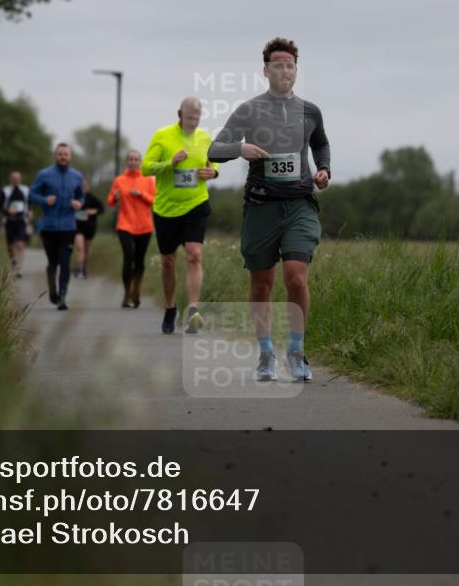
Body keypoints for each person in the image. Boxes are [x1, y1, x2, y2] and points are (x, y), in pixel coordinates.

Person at [207, 37, 331, 382]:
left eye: (290, 65)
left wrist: (324, 170)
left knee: (296, 275)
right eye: (277, 65)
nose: (284, 70)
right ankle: (265, 353)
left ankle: (296, 350)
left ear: (296, 70)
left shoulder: (310, 111)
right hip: (261, 206)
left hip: (299, 205)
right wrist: (241, 148)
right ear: (266, 71)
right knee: (261, 284)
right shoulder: (249, 110)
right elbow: (214, 150)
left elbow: (320, 143)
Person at [142, 97, 219, 334]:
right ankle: (170, 307)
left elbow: (213, 164)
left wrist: (213, 172)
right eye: (189, 118)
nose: (193, 122)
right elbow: (146, 167)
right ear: (179, 114)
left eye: (197, 118)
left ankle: (193, 310)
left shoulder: (205, 138)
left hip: (196, 204)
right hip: (166, 209)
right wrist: (169, 163)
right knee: (168, 261)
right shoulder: (162, 136)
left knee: (194, 255)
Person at [29, 143, 84, 311]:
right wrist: (45, 200)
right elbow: (31, 194)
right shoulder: (44, 174)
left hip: (68, 226)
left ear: (70, 157)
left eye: (66, 154)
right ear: (55, 156)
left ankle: (62, 296)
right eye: (60, 154)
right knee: (53, 261)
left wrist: (78, 203)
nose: (63, 157)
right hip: (49, 226)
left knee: (65, 262)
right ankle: (53, 289)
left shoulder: (77, 176)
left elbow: (81, 197)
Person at [106, 150, 156, 308]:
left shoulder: (148, 179)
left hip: (144, 226)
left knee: (139, 260)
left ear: (140, 162)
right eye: (130, 159)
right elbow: (110, 200)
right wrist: (114, 197)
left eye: (136, 159)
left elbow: (155, 200)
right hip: (125, 224)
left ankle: (136, 290)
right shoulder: (119, 180)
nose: (133, 161)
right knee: (129, 256)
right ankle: (127, 293)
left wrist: (141, 194)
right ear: (126, 162)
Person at [0, 171, 31, 278]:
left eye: (18, 178)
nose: (16, 180)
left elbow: (29, 203)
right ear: (10, 179)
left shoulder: (25, 190)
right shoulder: (5, 191)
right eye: (14, 178)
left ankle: (18, 268)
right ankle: (13, 261)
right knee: (11, 245)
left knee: (20, 244)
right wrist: (7, 210)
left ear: (20, 179)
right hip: (9, 220)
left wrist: (30, 212)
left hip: (21, 220)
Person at [73, 180, 105, 279]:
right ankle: (79, 268)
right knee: (79, 247)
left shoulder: (93, 199)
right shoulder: (75, 198)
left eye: (85, 186)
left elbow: (101, 209)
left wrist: (92, 211)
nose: (83, 187)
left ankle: (85, 267)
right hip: (77, 226)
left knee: (86, 249)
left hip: (90, 226)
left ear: (89, 187)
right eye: (81, 186)